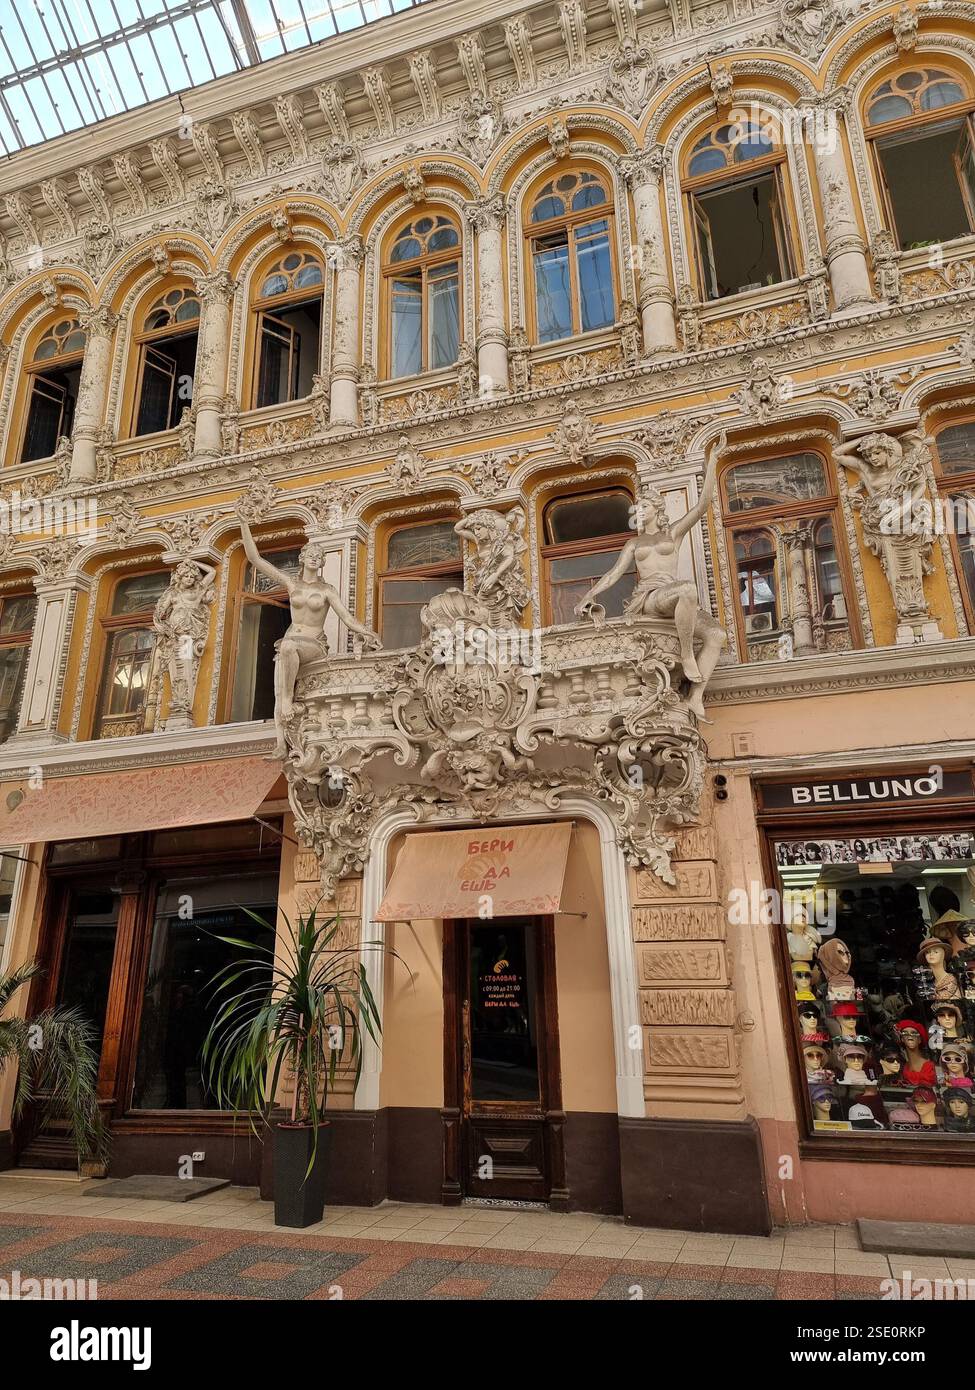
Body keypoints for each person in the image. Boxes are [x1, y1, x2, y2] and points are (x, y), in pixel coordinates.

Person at [573, 433, 728, 719]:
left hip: (675, 597)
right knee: (688, 590)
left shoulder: (674, 533)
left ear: (657, 509)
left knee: (717, 634)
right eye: (637, 508)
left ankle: (695, 697)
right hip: (650, 598)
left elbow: (703, 504)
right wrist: (589, 595)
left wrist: (713, 461)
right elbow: (614, 574)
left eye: (644, 507)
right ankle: (686, 653)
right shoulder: (634, 544)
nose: (639, 511)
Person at [239, 519, 381, 758]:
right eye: (311, 554)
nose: (315, 558)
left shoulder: (327, 590)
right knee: (279, 687)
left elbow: (347, 618)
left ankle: (287, 703)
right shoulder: (291, 583)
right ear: (302, 559)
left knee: (287, 648)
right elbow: (255, 560)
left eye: (319, 555)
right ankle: (282, 745)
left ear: (322, 562)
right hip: (290, 645)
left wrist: (367, 632)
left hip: (313, 646)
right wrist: (244, 524)